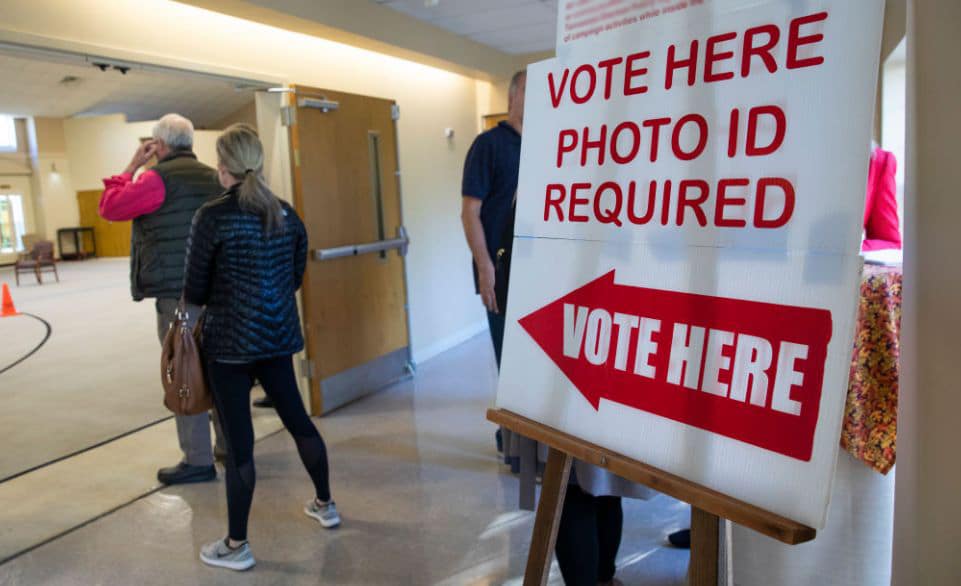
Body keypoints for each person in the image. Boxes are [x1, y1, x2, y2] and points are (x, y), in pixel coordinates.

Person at [185, 124, 339, 571]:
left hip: (228, 345)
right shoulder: (286, 214)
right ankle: (325, 504)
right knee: (298, 422)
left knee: (240, 446)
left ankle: (237, 545)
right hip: (276, 340)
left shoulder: (211, 216)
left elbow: (194, 289)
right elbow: (293, 276)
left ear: (223, 166)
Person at [99, 113, 225, 485]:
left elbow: (110, 207)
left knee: (184, 373)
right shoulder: (213, 176)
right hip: (218, 292)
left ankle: (198, 460)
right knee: (219, 370)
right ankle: (230, 448)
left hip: (178, 295)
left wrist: (134, 164)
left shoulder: (156, 179)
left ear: (159, 145)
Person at [461, 70, 525, 368]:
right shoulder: (489, 144)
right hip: (501, 270)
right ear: (512, 96)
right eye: (529, 90)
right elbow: (469, 213)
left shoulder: (552, 144)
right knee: (512, 366)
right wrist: (485, 268)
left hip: (539, 269)